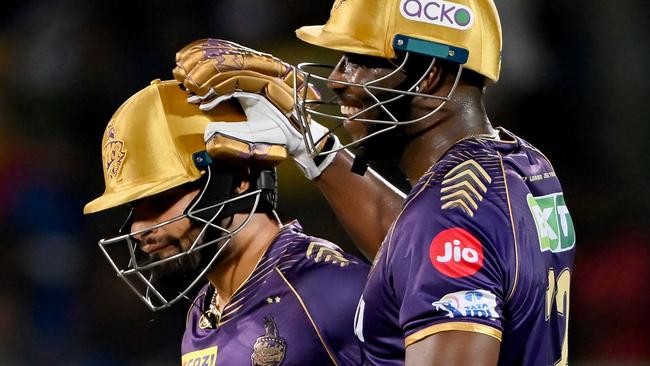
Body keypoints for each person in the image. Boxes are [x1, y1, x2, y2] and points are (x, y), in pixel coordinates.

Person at [172, 0, 576, 365]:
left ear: (429, 75)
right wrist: (309, 143)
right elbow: (409, 245)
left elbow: (431, 237)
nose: (336, 79)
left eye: (358, 59)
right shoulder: (522, 164)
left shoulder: (445, 219)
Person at [83, 78, 369, 365]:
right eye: (135, 208)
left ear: (239, 179)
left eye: (160, 200)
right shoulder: (203, 312)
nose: (137, 229)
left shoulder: (330, 289)